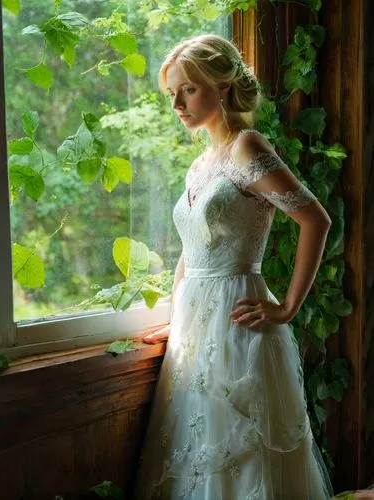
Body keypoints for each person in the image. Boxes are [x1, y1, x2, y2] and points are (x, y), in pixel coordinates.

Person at [132, 33, 334, 499]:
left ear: (222, 87)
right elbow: (191, 249)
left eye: (189, 89)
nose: (178, 104)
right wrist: (173, 316)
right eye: (172, 94)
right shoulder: (200, 164)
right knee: (198, 453)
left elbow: (315, 220)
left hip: (238, 319)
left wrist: (285, 307)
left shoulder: (246, 146)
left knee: (243, 455)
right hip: (195, 327)